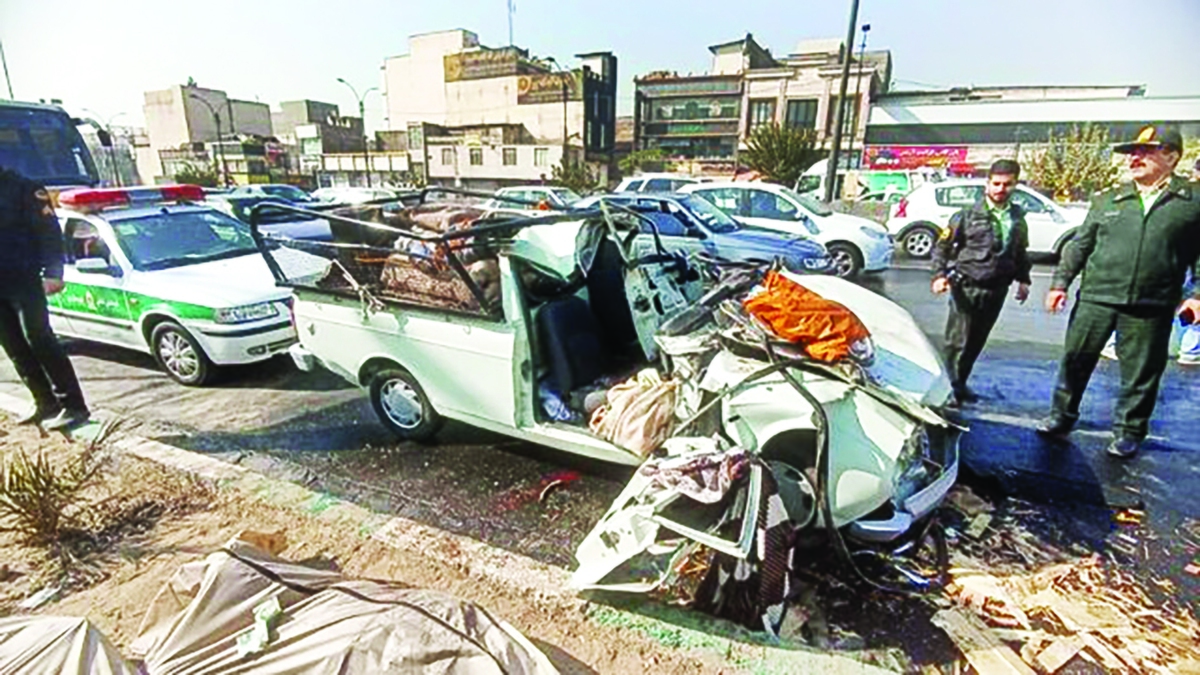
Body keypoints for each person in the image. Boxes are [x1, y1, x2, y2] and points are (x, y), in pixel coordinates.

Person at [1038, 125, 1200, 458]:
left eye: (1146, 152)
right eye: (1133, 153)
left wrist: (1196, 295)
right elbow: (1080, 246)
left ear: (1172, 156)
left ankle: (1130, 431)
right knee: (1076, 360)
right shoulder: (1108, 199)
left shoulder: (1192, 202)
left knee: (1141, 373)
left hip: (1151, 303)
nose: (1134, 158)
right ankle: (1061, 415)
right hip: (1097, 297)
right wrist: (1059, 284)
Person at [931, 158, 1032, 404]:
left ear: (1015, 185)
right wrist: (939, 275)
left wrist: (1024, 280)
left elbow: (1020, 251)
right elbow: (942, 247)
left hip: (996, 289)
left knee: (977, 341)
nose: (1000, 189)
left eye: (1007, 184)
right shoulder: (966, 216)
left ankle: (960, 384)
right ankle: (947, 389)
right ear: (987, 184)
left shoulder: (1017, 218)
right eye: (996, 183)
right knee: (957, 342)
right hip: (966, 287)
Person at [0, 167, 90, 430]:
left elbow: (49, 233)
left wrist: (54, 273)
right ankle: (44, 401)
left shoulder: (23, 188)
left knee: (38, 337)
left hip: (25, 276)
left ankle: (73, 405)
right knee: (13, 344)